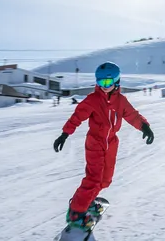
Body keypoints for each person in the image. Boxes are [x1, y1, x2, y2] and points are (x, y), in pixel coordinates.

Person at [53, 62, 154, 231]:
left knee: (105, 180)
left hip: (111, 143)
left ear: (116, 81)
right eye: (100, 83)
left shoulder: (121, 101)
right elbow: (77, 116)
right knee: (93, 179)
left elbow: (132, 115)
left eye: (107, 83)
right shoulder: (93, 100)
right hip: (95, 143)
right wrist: (65, 134)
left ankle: (88, 200)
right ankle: (76, 213)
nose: (104, 87)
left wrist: (144, 126)